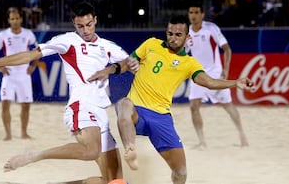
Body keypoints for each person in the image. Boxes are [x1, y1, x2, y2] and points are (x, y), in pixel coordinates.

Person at [0, 2, 139, 184]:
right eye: (80, 26)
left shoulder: (107, 45)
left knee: (114, 182)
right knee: (91, 151)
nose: (85, 30)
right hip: (81, 106)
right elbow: (29, 56)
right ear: (74, 24)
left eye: (89, 25)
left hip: (101, 112)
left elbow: (129, 61)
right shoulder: (67, 40)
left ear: (95, 20)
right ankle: (36, 155)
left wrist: (130, 64)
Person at [88, 15, 254, 184]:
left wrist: (235, 82)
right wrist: (110, 70)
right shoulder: (151, 44)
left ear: (188, 38)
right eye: (170, 33)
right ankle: (130, 148)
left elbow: (210, 82)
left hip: (161, 118)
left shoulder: (190, 63)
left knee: (181, 172)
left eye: (178, 35)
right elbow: (127, 63)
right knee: (123, 103)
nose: (172, 38)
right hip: (137, 111)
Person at [186, 3, 249, 148]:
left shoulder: (211, 29)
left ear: (202, 15)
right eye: (191, 12)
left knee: (227, 105)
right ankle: (202, 142)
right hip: (197, 74)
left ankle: (242, 135)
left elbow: (227, 49)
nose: (193, 15)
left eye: (196, 12)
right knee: (193, 106)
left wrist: (225, 70)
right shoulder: (187, 32)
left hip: (214, 73)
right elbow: (184, 52)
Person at [0, 7, 38, 141]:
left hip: (24, 75)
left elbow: (38, 50)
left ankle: (24, 133)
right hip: (9, 75)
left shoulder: (28, 34)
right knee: (5, 104)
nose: (15, 21)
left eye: (17, 18)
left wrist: (33, 65)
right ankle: (8, 134)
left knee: (26, 105)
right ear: (9, 21)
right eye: (12, 19)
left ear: (21, 19)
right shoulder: (3, 35)